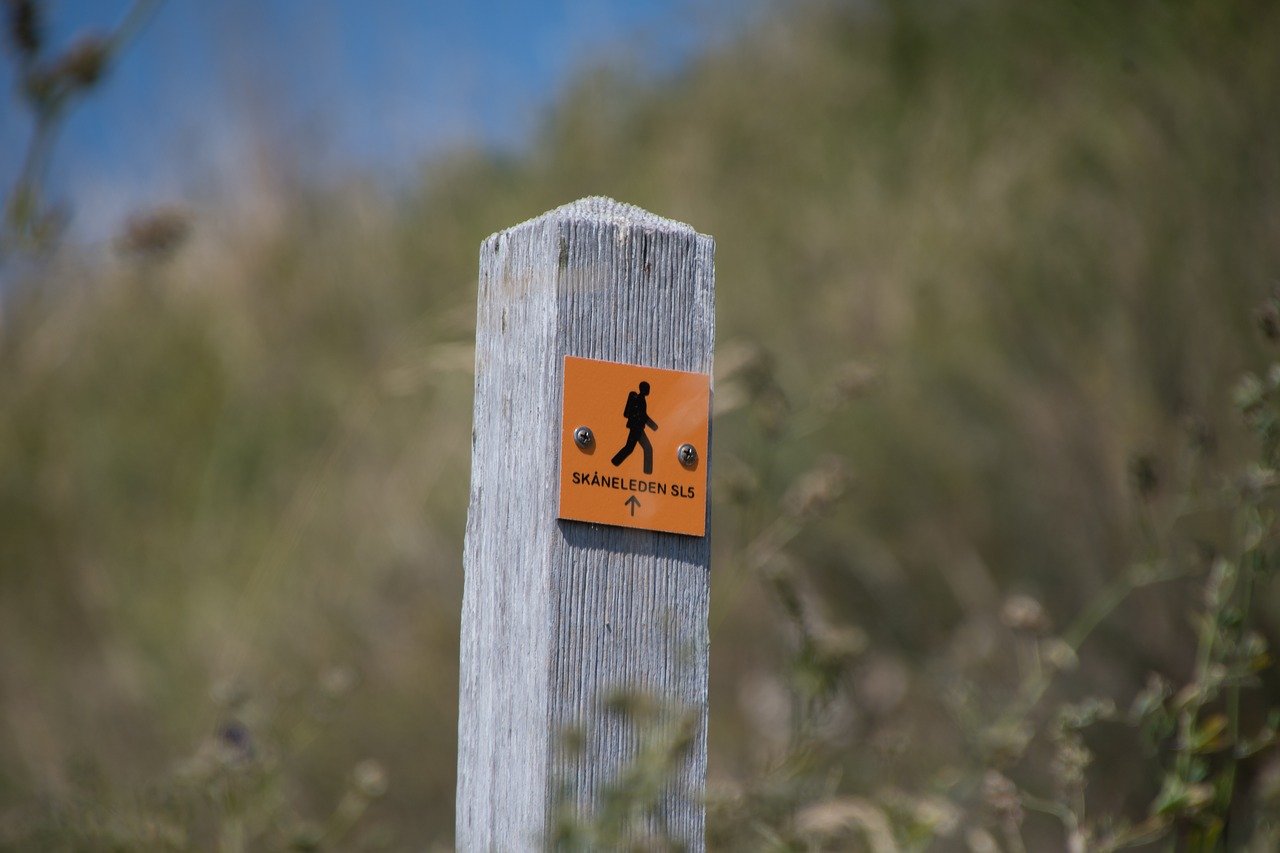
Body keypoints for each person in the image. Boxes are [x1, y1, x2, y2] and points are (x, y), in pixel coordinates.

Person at [611, 381, 658, 474]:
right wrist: (655, 427)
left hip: (637, 428)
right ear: (644, 389)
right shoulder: (640, 399)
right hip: (637, 429)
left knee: (631, 448)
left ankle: (615, 462)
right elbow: (643, 416)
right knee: (643, 448)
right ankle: (647, 473)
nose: (649, 390)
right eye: (648, 388)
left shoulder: (640, 399)